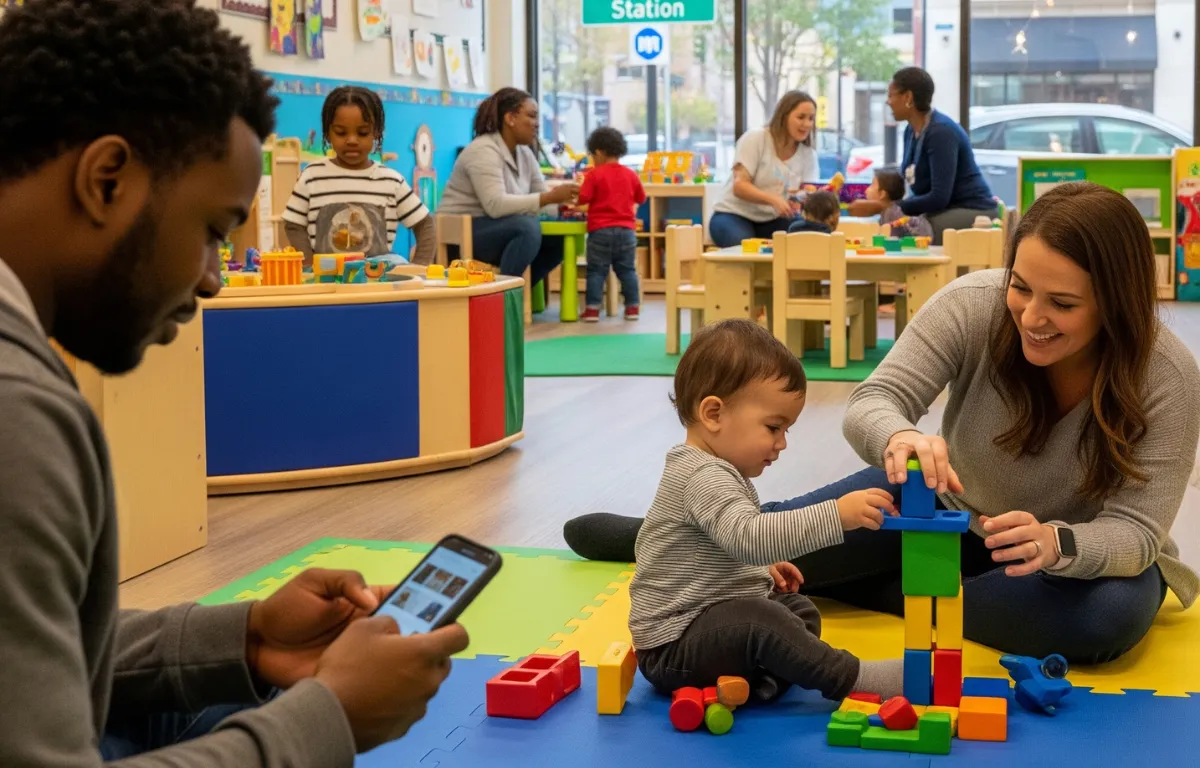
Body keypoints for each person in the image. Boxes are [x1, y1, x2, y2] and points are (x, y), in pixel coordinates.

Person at [0, 2, 467, 765]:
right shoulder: (17, 413)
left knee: (234, 698)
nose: (215, 279)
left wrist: (243, 637)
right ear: (106, 181)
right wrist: (330, 719)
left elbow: (41, 650)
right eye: (213, 231)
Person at [564, 183, 1200, 665]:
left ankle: (888, 588)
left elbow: (1137, 531)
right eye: (1021, 287)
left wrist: (1060, 545)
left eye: (1062, 303)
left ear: (1116, 302)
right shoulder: (975, 305)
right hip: (940, 508)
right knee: (777, 537)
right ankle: (677, 536)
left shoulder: (1168, 377)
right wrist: (901, 438)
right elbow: (876, 399)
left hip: (1058, 555)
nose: (1031, 316)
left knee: (1104, 621)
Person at [631, 319, 902, 703]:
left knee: (799, 611)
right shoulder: (701, 475)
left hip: (707, 624)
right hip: (673, 648)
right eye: (774, 427)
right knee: (766, 624)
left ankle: (762, 686)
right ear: (713, 414)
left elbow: (724, 546)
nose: (782, 443)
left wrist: (758, 570)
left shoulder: (718, 469)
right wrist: (836, 515)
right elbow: (748, 537)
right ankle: (851, 678)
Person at [437, 87, 578, 286]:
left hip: (497, 229)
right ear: (510, 118)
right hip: (459, 235)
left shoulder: (525, 154)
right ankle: (506, 295)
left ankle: (515, 290)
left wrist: (569, 207)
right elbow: (495, 205)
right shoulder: (482, 150)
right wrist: (549, 198)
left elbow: (541, 199)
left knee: (557, 239)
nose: (537, 124)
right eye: (531, 116)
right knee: (527, 227)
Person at [284, 86, 435, 267]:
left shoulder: (391, 181)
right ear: (327, 133)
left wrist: (419, 268)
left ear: (376, 133)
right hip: (325, 279)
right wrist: (309, 266)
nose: (352, 140)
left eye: (363, 133)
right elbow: (293, 224)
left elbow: (425, 225)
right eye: (341, 132)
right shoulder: (311, 176)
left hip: (377, 281)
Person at [848, 68, 997, 245]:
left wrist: (887, 207)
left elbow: (939, 197)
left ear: (908, 97)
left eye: (891, 95)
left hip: (971, 209)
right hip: (943, 209)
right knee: (890, 223)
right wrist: (882, 201)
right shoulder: (910, 131)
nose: (888, 102)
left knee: (909, 229)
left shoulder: (941, 132)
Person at [708, 91, 819, 248]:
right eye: (801, 117)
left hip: (773, 220)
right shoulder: (756, 138)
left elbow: (807, 192)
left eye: (811, 118)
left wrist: (807, 199)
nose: (807, 124)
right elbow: (739, 186)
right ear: (784, 116)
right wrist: (773, 199)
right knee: (746, 247)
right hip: (733, 215)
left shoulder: (808, 155)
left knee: (810, 235)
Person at [576, 126, 645, 322]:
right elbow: (641, 197)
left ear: (599, 152)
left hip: (600, 231)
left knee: (596, 271)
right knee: (627, 270)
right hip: (626, 232)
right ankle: (632, 308)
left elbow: (583, 198)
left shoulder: (594, 175)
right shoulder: (631, 174)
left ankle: (592, 309)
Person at [868, 168, 933, 238]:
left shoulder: (891, 213)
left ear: (882, 194)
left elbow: (891, 239)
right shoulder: (887, 211)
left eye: (872, 185)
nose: (867, 189)